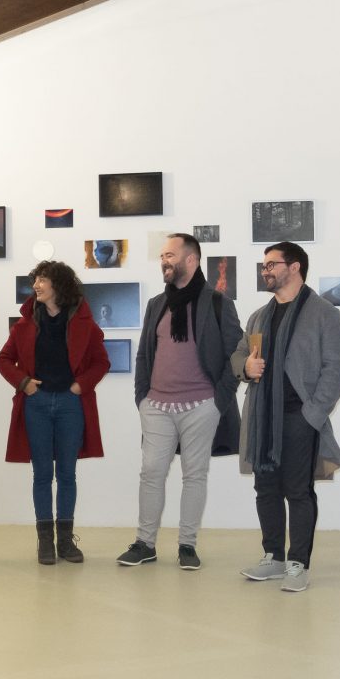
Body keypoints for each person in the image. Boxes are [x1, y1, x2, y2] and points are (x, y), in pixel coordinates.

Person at [118, 233, 242, 570]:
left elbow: (237, 354)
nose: (164, 261)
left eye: (170, 255)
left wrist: (218, 400)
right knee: (151, 473)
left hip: (201, 406)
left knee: (194, 476)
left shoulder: (218, 303)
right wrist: (142, 397)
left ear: (191, 259)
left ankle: (187, 545)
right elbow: (145, 353)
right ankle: (145, 544)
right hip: (156, 406)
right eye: (162, 256)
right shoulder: (156, 304)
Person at [231, 242, 340, 592]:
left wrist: (314, 413)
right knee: (265, 488)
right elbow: (239, 355)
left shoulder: (324, 313)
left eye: (271, 264)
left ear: (294, 267)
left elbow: (335, 367)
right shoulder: (258, 316)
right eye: (264, 265)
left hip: (301, 416)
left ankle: (298, 563)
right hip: (262, 415)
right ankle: (273, 557)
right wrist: (246, 367)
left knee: (298, 491)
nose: (265, 271)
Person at [0, 261, 109, 564]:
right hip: (37, 405)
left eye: (42, 279)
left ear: (59, 284)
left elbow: (101, 362)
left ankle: (66, 542)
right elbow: (3, 359)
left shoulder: (84, 322)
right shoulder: (25, 324)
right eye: (35, 280)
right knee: (43, 474)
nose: (36, 285)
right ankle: (45, 542)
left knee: (67, 474)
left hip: (71, 405)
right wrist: (24, 383)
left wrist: (80, 386)